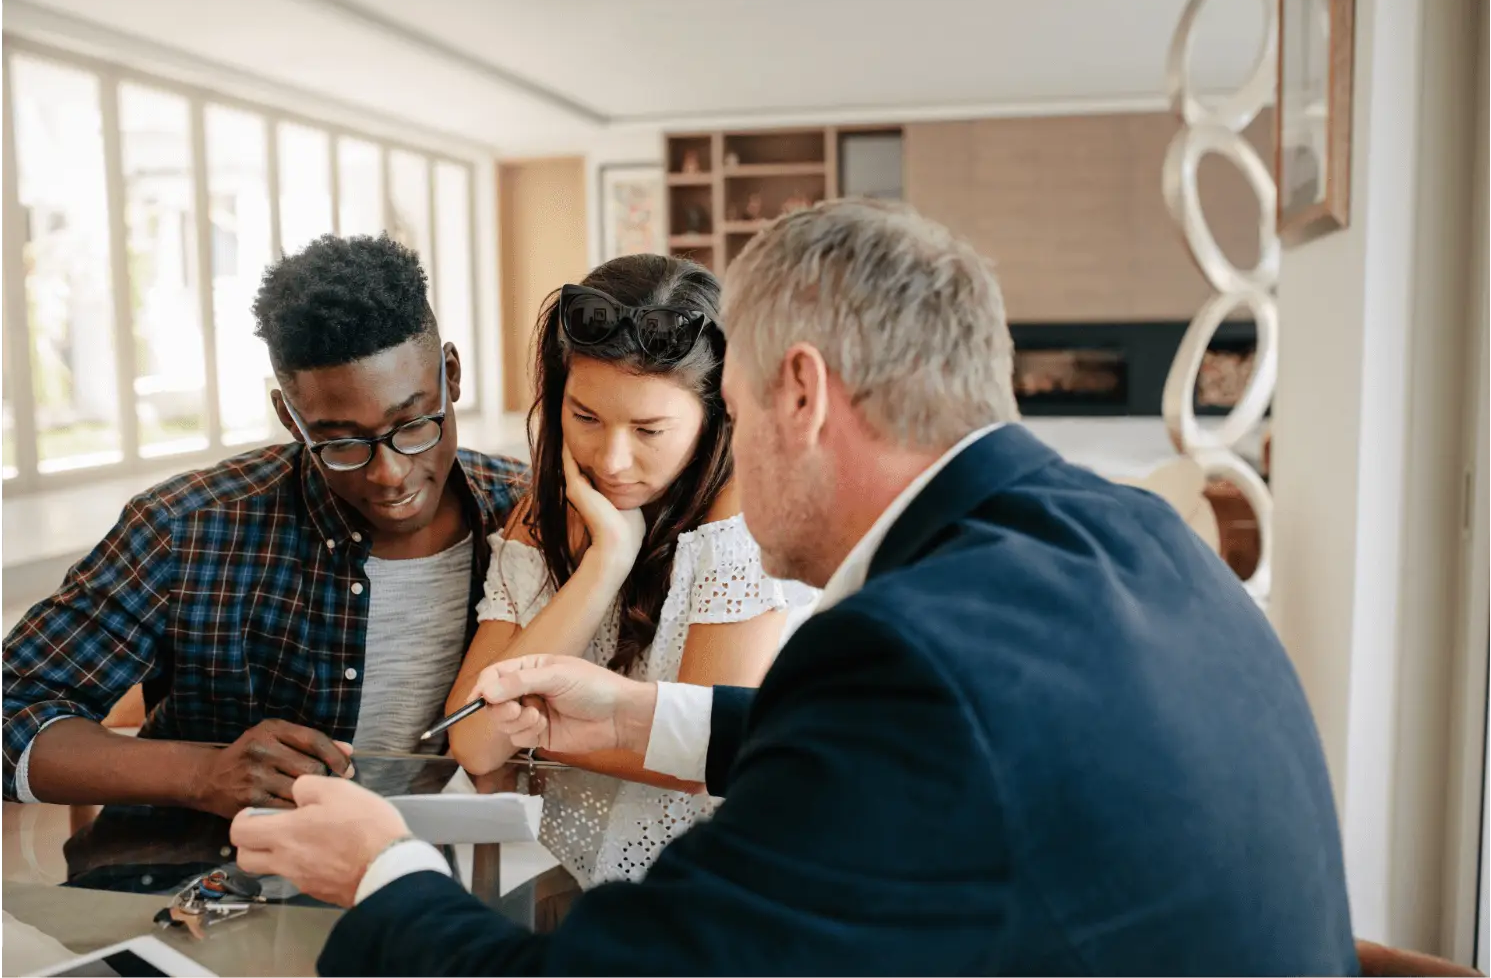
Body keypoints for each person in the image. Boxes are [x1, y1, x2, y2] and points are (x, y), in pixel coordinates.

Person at [231, 200, 1358, 976]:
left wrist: (384, 873)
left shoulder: (910, 651)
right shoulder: (1127, 530)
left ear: (800, 394)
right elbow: (931, 753)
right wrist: (638, 714)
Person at [0, 234, 524, 818]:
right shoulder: (187, 528)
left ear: (451, 376)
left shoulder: (529, 516)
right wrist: (202, 774)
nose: (390, 473)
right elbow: (11, 708)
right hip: (212, 885)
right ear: (290, 419)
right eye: (341, 442)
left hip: (445, 883)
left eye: (414, 423)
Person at [446, 253, 814, 894]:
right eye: (584, 416)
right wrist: (606, 561)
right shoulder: (549, 511)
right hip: (557, 878)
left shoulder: (746, 513)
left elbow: (700, 751)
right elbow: (474, 743)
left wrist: (530, 738)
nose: (612, 460)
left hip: (702, 889)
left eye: (649, 429)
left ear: (717, 417)